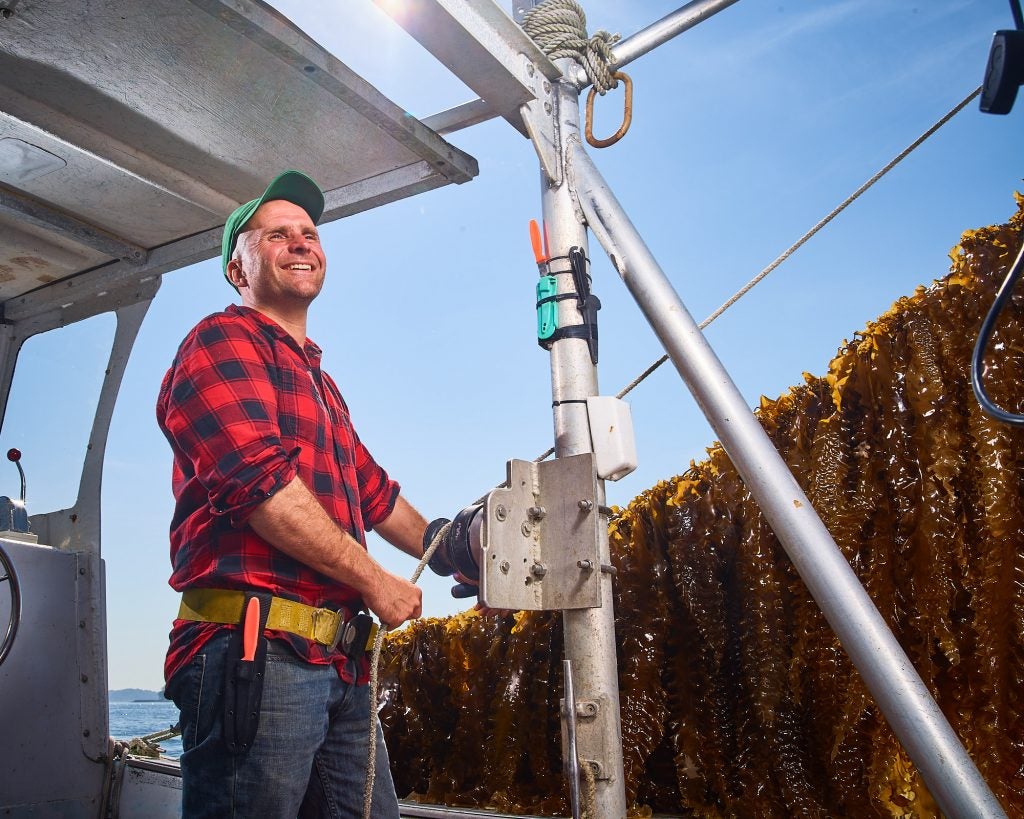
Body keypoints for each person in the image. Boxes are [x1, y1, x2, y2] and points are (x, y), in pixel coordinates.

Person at [158, 170, 428, 818]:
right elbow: (261, 486)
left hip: (339, 667)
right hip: (255, 653)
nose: (300, 241)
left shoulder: (322, 386)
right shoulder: (218, 342)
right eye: (276, 233)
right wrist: (375, 579)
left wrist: (464, 547)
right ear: (236, 267)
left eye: (308, 232)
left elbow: (375, 492)